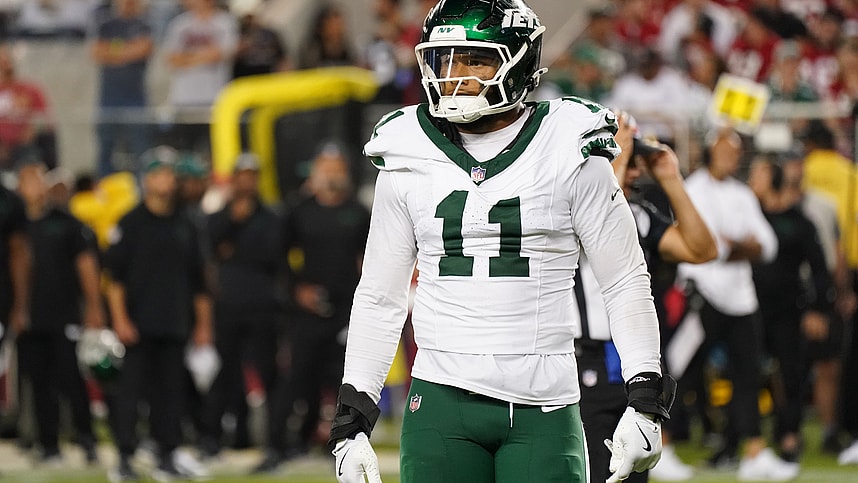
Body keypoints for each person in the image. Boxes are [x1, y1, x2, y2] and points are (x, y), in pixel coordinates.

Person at [328, 2, 673, 483]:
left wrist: (646, 395)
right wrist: (353, 414)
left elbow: (624, 279)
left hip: (544, 403)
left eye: (475, 59)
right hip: (440, 400)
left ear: (520, 63)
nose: (455, 76)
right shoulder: (407, 147)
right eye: (445, 60)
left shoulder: (568, 141)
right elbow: (380, 294)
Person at [575, 117, 717, 483]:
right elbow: (599, 213)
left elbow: (702, 249)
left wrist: (671, 178)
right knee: (588, 473)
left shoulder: (636, 214)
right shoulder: (572, 206)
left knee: (632, 472)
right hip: (581, 360)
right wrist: (614, 159)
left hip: (634, 360)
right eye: (629, 156)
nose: (637, 168)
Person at [675, 128, 798, 481]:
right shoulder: (694, 189)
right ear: (711, 151)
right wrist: (743, 246)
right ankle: (661, 444)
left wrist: (739, 246)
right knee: (680, 370)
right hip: (703, 295)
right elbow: (712, 247)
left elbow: (767, 245)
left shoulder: (742, 193)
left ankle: (754, 452)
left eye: (736, 154)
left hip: (741, 300)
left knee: (748, 375)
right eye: (726, 152)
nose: (732, 159)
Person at [255, 144, 370, 473]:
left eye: (336, 169)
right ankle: (277, 446)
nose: (331, 176)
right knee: (296, 379)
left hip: (346, 309)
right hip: (306, 310)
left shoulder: (357, 211)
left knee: (344, 381)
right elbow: (277, 258)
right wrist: (297, 290)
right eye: (326, 169)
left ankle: (342, 444)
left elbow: (368, 259)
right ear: (315, 173)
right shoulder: (298, 211)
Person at [103, 146, 213, 482]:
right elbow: (115, 279)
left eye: (171, 174)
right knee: (130, 395)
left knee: (171, 396)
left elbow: (199, 281)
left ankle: (166, 455)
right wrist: (120, 319)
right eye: (160, 173)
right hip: (137, 324)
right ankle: (123, 457)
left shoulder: (187, 224)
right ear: (147, 179)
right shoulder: (131, 222)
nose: (167, 180)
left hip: (175, 323)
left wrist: (203, 325)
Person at [15, 161, 103, 465]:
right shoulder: (15, 225)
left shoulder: (65, 222)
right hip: (27, 317)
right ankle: (49, 444)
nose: (34, 187)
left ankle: (87, 439)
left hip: (64, 313)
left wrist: (93, 306)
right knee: (38, 382)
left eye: (38, 180)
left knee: (71, 379)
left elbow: (86, 265)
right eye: (28, 181)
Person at [748, 157, 835, 462]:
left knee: (791, 373)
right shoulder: (750, 216)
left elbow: (820, 269)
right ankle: (745, 437)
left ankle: (789, 435)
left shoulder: (799, 222)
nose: (752, 182)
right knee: (750, 373)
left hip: (788, 309)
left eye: (759, 175)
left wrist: (818, 308)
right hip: (751, 308)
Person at [199, 153, 282, 458]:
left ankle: (274, 440)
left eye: (252, 175)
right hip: (228, 304)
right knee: (226, 374)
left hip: (261, 305)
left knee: (267, 373)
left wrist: (232, 249)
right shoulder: (218, 216)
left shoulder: (272, 217)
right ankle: (217, 436)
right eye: (242, 175)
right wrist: (234, 223)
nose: (247, 181)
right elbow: (210, 249)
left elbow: (271, 256)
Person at [90, 0, 154, 179]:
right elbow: (96, 52)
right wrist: (128, 52)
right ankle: (104, 187)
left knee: (140, 149)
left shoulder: (143, 24)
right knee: (105, 148)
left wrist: (113, 53)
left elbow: (144, 49)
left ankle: (142, 188)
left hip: (135, 99)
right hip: (109, 99)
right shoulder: (106, 24)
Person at [0, 44, 53, 172]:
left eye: (7, 62)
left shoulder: (30, 90)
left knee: (31, 158)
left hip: (26, 145)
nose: (5, 66)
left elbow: (45, 120)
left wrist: (30, 130)